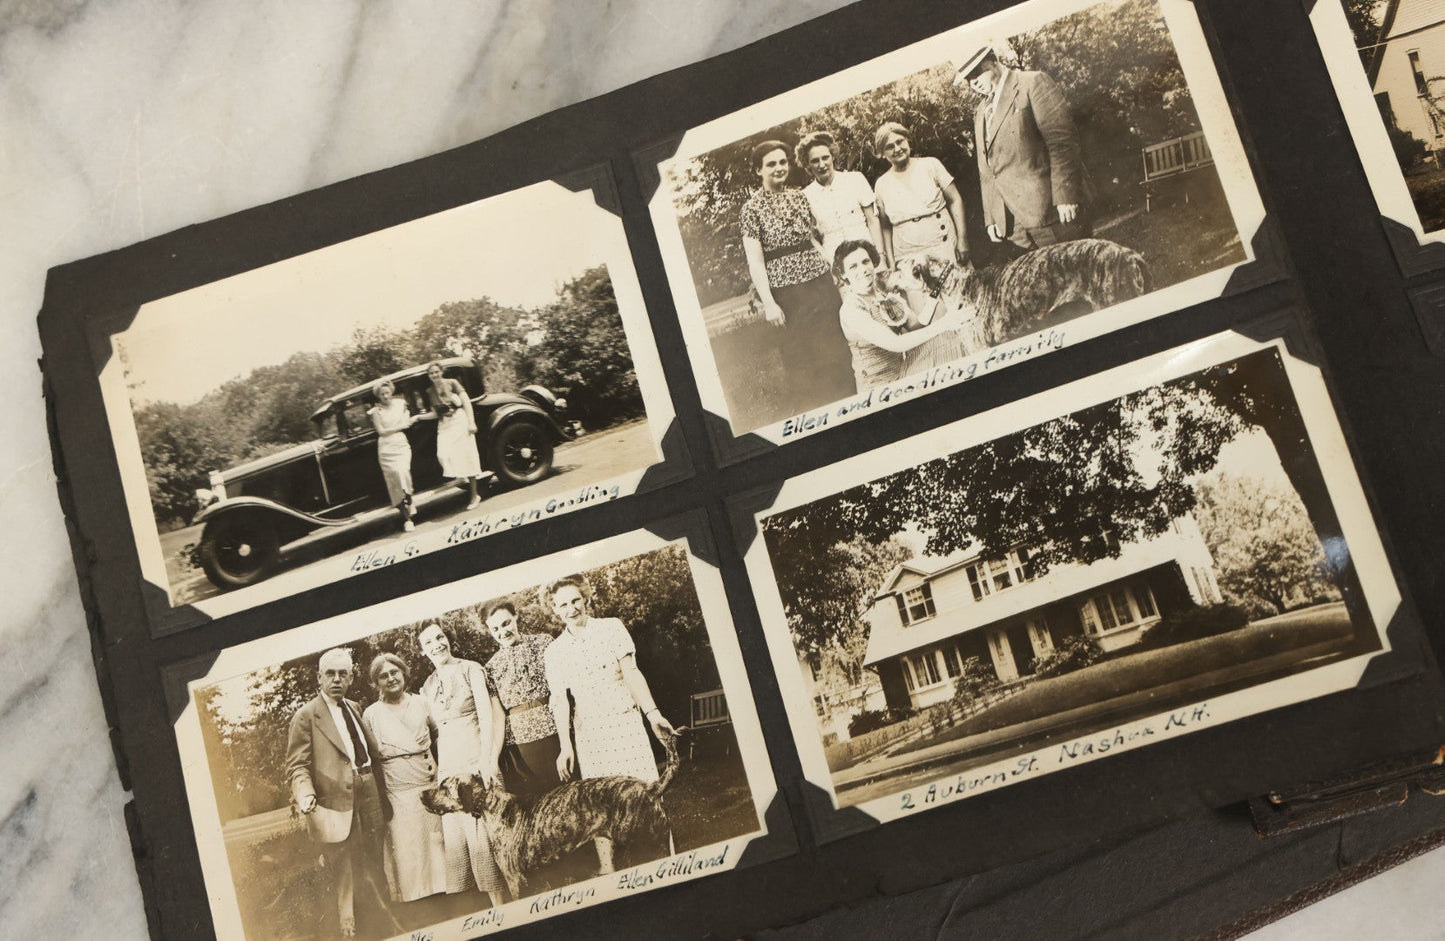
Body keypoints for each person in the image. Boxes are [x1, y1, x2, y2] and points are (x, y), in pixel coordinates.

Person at [542, 576, 675, 868]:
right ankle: (608, 870)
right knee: (598, 807)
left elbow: (631, 673)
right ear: (554, 609)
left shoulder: (612, 627)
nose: (571, 608)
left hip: (625, 723)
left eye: (575, 600)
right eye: (562, 604)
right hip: (590, 735)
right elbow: (561, 700)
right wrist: (566, 746)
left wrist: (653, 714)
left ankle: (666, 861)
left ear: (586, 598)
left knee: (645, 795)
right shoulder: (554, 652)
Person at [739, 139, 856, 414]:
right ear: (759, 170)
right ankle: (815, 412)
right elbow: (755, 260)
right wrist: (769, 302)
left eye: (783, 162)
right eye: (771, 164)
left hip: (818, 281)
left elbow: (811, 241)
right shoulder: (751, 209)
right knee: (800, 354)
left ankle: (849, 403)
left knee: (835, 345)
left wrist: (833, 269)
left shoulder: (799, 197)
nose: (779, 168)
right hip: (787, 291)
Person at [285, 648, 392, 938]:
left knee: (375, 858)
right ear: (319, 677)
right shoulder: (306, 716)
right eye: (330, 673)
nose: (336, 679)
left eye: (342, 673)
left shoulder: (355, 707)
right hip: (336, 803)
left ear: (351, 677)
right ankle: (349, 930)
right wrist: (305, 794)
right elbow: (297, 766)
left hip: (369, 790)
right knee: (345, 867)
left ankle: (382, 922)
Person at [957, 46, 1089, 253]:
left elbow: (1062, 142)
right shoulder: (981, 112)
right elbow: (987, 169)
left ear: (994, 60)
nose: (973, 83)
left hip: (1052, 212)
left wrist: (1066, 196)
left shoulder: (1032, 82)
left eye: (976, 73)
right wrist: (992, 217)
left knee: (1079, 276)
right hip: (1013, 226)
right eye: (967, 80)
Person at [416, 622, 509, 903]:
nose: (437, 645)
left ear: (448, 638)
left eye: (440, 637)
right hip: (449, 770)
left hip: (475, 764)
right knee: (465, 842)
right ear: (423, 651)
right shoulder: (428, 685)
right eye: (429, 642)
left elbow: (487, 716)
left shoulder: (471, 668)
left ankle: (507, 909)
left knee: (487, 838)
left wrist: (487, 760)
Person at [361, 653, 447, 904]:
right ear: (376, 683)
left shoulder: (421, 702)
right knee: (408, 843)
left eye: (394, 672)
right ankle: (417, 898)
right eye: (383, 676)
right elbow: (373, 760)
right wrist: (381, 798)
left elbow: (438, 735)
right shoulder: (372, 714)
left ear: (403, 673)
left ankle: (447, 888)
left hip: (429, 780)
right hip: (397, 789)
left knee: (436, 839)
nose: (390, 679)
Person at [832, 239, 967, 391]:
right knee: (947, 342)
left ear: (873, 263)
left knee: (952, 340)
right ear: (843, 274)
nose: (863, 269)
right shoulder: (851, 310)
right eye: (853, 266)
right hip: (881, 388)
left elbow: (916, 327)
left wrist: (933, 300)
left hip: (904, 370)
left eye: (865, 261)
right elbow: (896, 344)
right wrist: (944, 324)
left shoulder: (883, 293)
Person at [482, 601, 563, 799]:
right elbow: (498, 717)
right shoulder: (491, 668)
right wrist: (493, 758)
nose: (503, 631)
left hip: (556, 731)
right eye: (495, 628)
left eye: (506, 623)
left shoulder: (543, 643)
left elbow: (562, 684)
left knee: (567, 793)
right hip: (521, 745)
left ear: (516, 617)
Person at [872, 121, 969, 272]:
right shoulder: (881, 184)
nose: (897, 149)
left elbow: (955, 200)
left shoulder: (931, 165)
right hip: (908, 258)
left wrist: (962, 240)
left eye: (900, 141)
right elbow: (885, 227)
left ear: (907, 140)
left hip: (944, 247)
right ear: (882, 154)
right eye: (889, 147)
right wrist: (892, 263)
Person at [795, 130, 884, 268]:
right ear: (807, 164)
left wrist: (880, 257)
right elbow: (812, 238)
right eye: (815, 161)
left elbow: (873, 220)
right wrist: (831, 266)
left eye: (825, 157)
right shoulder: (805, 196)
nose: (821, 164)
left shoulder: (855, 179)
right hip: (837, 263)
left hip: (868, 255)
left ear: (833, 157)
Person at [425, 362, 483, 510]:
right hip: (444, 424)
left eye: (436, 372)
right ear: (429, 376)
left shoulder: (452, 383)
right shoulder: (430, 391)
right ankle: (460, 477)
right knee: (443, 455)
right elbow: (434, 413)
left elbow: (466, 402)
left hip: (459, 420)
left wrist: (471, 422)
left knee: (466, 457)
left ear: (441, 371)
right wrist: (418, 418)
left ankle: (474, 496)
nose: (434, 375)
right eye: (431, 373)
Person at [368, 378, 417, 533]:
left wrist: (403, 423)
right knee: (394, 482)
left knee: (403, 472)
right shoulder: (375, 411)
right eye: (382, 394)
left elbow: (408, 421)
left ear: (391, 391)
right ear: (378, 396)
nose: (386, 396)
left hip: (400, 444)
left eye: (387, 392)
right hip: (385, 448)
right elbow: (381, 431)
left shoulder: (401, 404)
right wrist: (401, 425)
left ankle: (410, 498)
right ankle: (407, 520)